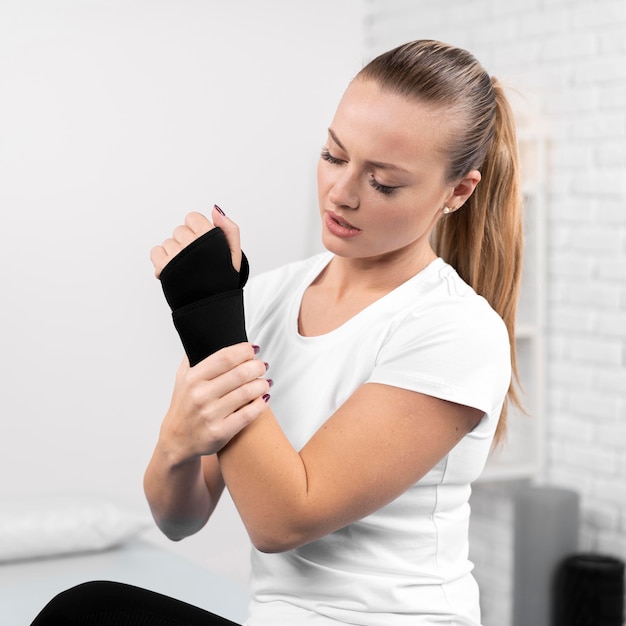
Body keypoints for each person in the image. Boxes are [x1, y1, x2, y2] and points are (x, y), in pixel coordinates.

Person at [31, 39, 523, 626]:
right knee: (88, 610)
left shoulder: (458, 331)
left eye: (384, 183)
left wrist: (209, 317)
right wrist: (176, 439)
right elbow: (178, 519)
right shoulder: (266, 300)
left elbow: (282, 519)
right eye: (333, 156)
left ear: (458, 191)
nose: (341, 193)